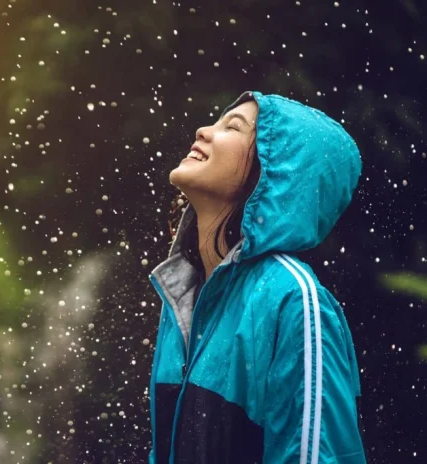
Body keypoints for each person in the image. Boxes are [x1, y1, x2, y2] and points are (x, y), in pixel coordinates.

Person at [148, 91, 368, 463]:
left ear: (277, 172)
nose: (203, 131)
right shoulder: (184, 294)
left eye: (232, 127)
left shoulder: (293, 300)